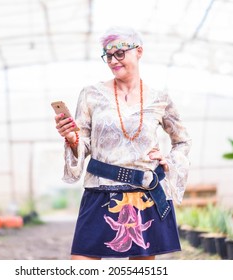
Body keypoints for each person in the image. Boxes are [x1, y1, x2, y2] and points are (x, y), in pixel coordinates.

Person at [54, 26, 191, 260]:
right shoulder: (91, 94)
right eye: (108, 55)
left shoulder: (160, 99)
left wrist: (167, 160)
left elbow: (183, 141)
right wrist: (71, 138)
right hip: (100, 190)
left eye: (119, 53)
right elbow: (83, 142)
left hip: (145, 193)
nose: (113, 60)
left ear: (139, 51)